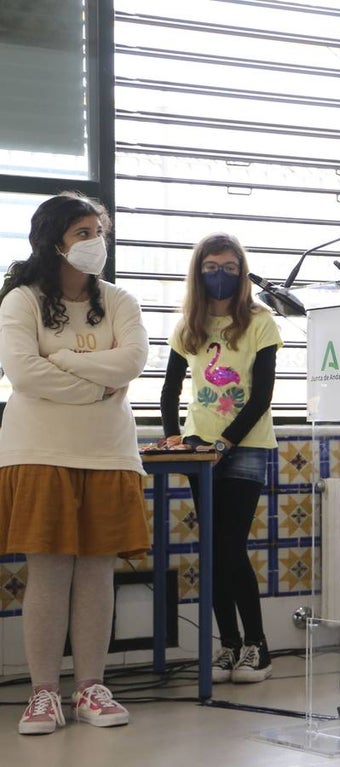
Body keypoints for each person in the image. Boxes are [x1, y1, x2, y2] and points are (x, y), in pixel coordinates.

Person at [0, 192, 150, 735]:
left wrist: (60, 358)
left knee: (95, 571)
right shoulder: (21, 299)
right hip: (38, 449)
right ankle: (43, 694)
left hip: (110, 452)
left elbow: (133, 359)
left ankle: (90, 686)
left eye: (98, 231)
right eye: (82, 232)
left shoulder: (120, 301)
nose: (94, 242)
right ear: (54, 241)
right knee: (49, 569)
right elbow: (22, 371)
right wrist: (95, 384)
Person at [158, 233, 282, 684]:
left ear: (242, 271)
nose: (220, 275)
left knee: (230, 545)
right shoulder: (187, 326)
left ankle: (259, 646)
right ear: (199, 271)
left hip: (245, 445)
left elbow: (262, 396)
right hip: (199, 449)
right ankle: (228, 646)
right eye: (211, 266)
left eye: (229, 266)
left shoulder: (261, 322)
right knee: (213, 551)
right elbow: (169, 389)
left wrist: (225, 442)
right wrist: (174, 437)